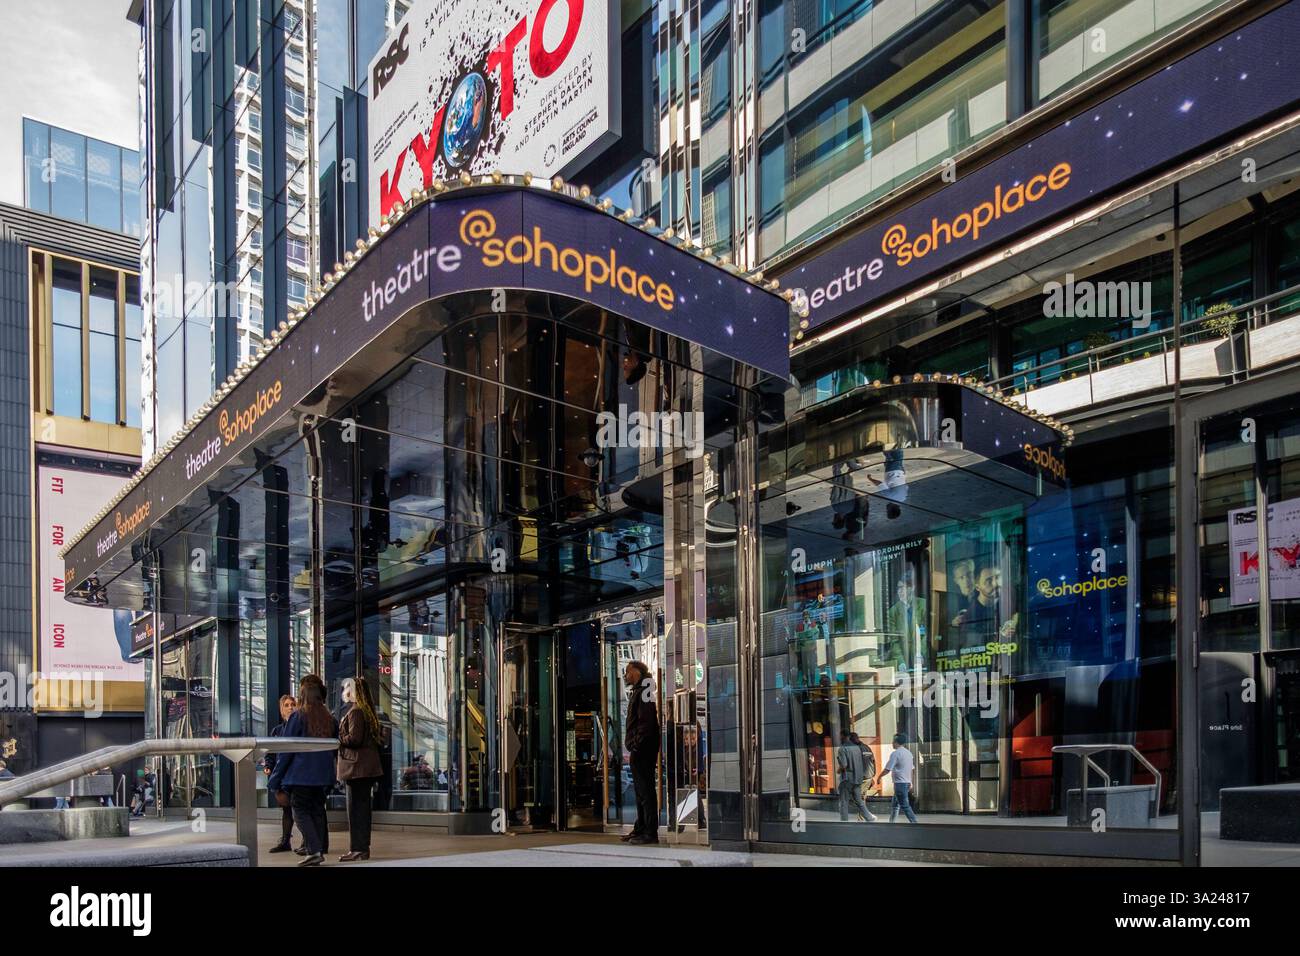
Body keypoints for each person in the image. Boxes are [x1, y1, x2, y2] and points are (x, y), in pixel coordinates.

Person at [268, 674, 338, 866]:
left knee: (300, 811)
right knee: (316, 810)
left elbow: (286, 750)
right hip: (323, 777)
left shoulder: (298, 717)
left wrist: (275, 779)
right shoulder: (329, 719)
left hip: (300, 776)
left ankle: (314, 850)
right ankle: (317, 848)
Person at [337, 676, 383, 862]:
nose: (345, 691)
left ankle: (357, 848)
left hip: (356, 769)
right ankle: (361, 849)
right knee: (362, 811)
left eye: (347, 687)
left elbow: (354, 739)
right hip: (365, 768)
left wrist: (339, 739)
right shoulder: (366, 711)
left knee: (356, 811)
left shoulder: (356, 712)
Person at [622, 660, 660, 845]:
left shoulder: (645, 689)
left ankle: (650, 832)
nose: (626, 676)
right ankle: (641, 828)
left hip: (643, 749)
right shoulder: (641, 690)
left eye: (628, 672)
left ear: (637, 672)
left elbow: (646, 722)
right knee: (640, 791)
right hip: (641, 748)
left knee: (645, 791)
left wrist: (636, 745)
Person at [264, 694, 299, 853]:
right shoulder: (277, 731)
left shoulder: (300, 727)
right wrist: (268, 767)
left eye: (293, 704)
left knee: (300, 809)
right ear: (281, 709)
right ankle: (285, 841)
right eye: (287, 705)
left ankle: (308, 842)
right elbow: (270, 754)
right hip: (282, 775)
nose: (290, 707)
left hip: (297, 775)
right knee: (286, 810)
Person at [876, 733, 919, 824]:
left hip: (900, 783)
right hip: (906, 783)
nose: (892, 743)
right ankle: (891, 823)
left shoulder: (896, 754)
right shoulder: (908, 753)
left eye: (893, 741)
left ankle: (914, 823)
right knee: (895, 805)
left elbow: (888, 769)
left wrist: (879, 777)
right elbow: (912, 769)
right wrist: (910, 781)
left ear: (896, 742)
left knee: (905, 805)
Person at [836, 731, 877, 822]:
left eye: (840, 736)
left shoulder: (842, 749)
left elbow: (844, 765)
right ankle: (869, 818)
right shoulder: (857, 748)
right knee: (859, 801)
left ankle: (844, 822)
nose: (839, 738)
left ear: (843, 736)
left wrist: (838, 770)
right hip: (858, 779)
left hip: (847, 779)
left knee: (844, 802)